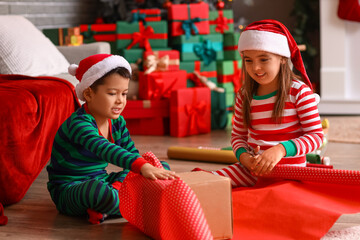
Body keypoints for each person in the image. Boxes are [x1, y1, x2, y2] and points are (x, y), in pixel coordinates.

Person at [47, 54, 177, 224]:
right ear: (88, 94)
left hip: (102, 179)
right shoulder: (79, 124)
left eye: (124, 94)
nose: (120, 101)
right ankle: (130, 200)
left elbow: (131, 153)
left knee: (158, 167)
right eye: (112, 93)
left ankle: (112, 205)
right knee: (98, 191)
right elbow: (105, 148)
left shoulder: (117, 123)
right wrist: (140, 167)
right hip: (70, 189)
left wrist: (146, 166)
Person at [196, 19, 324, 188]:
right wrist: (244, 157)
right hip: (251, 170)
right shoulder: (244, 95)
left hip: (289, 173)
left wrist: (280, 150)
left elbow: (316, 137)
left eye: (264, 59)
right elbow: (238, 137)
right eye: (248, 60)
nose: (256, 68)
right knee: (200, 182)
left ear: (283, 59)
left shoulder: (299, 93)